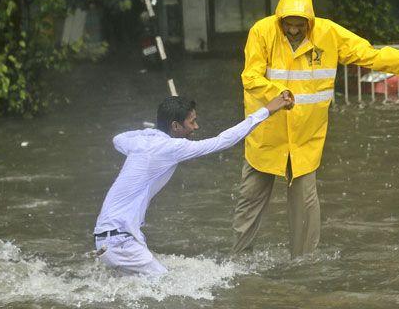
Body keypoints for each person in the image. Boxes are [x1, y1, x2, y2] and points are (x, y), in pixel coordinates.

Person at [233, 0, 399, 258]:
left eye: (299, 24)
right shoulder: (262, 32)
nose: (293, 30)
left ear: (310, 21)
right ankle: (239, 259)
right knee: (250, 201)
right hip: (266, 137)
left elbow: (364, 52)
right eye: (288, 23)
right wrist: (278, 93)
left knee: (305, 206)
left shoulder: (328, 34)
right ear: (279, 19)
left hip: (306, 138)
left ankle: (302, 265)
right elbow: (250, 76)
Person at [94, 94, 291, 276]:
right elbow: (223, 141)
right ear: (175, 126)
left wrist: (150, 132)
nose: (196, 127)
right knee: (166, 286)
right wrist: (267, 110)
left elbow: (117, 139)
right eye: (192, 121)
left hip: (106, 240)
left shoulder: (139, 143)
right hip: (121, 241)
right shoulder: (173, 147)